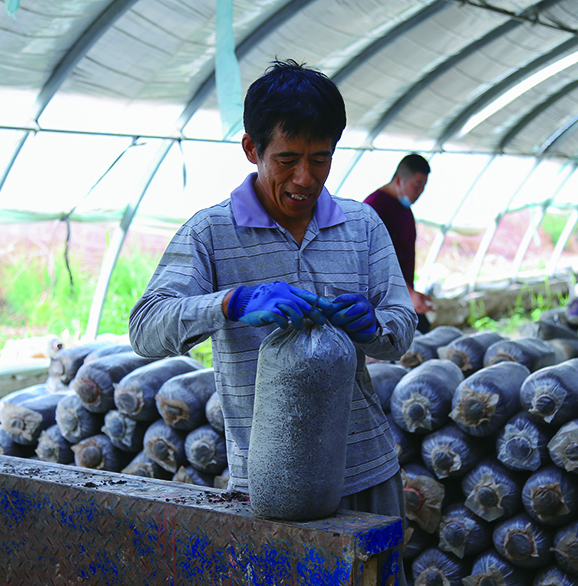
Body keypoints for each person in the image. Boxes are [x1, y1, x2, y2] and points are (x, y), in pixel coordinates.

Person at [128, 60, 416, 575]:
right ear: (251, 149)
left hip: (366, 470)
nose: (305, 179)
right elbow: (146, 326)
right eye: (287, 159)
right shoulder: (211, 233)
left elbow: (398, 330)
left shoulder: (362, 225)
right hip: (271, 482)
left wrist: (371, 324)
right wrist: (231, 302)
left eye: (320, 159)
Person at [365, 154, 434, 333]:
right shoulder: (375, 208)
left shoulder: (403, 207)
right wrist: (407, 293)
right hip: (382, 300)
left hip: (402, 294)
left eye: (424, 187)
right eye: (417, 185)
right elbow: (378, 260)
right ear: (399, 180)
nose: (420, 192)